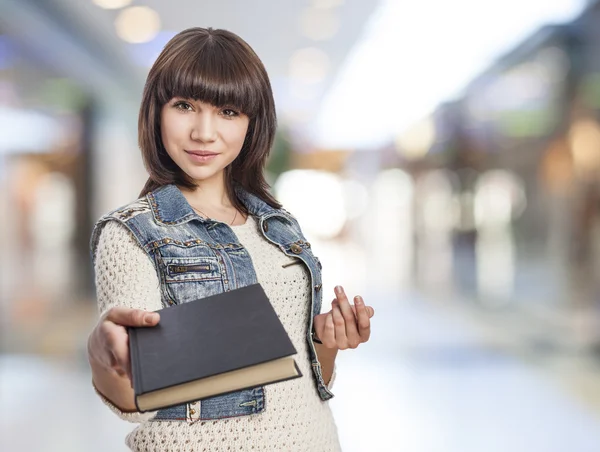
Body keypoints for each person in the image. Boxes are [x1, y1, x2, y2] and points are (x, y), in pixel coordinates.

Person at [86, 27, 375, 452]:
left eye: (228, 112)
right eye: (185, 106)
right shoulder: (131, 234)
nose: (204, 133)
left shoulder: (279, 227)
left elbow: (309, 378)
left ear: (252, 122)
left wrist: (325, 341)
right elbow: (134, 399)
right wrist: (103, 358)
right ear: (156, 112)